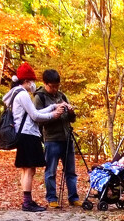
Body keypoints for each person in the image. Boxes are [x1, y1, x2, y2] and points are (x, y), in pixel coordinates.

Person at [2, 62, 68, 212]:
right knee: (29, 170)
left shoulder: (15, 93)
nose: (33, 84)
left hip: (23, 135)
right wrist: (53, 115)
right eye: (31, 81)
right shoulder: (23, 94)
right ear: (26, 81)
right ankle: (27, 202)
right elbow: (35, 116)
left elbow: (33, 112)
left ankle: (28, 200)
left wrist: (52, 107)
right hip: (28, 135)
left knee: (26, 170)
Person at [33, 69, 79, 208]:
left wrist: (70, 112)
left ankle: (73, 197)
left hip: (66, 138)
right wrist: (54, 114)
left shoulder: (62, 96)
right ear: (45, 84)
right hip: (51, 139)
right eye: (52, 86)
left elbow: (73, 119)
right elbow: (37, 119)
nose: (54, 89)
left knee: (70, 171)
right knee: (51, 171)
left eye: (57, 86)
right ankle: (52, 198)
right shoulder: (39, 97)